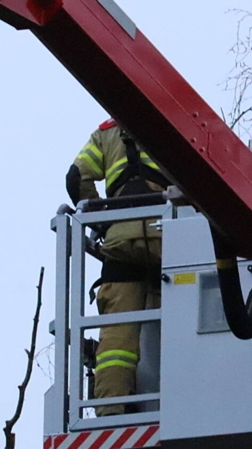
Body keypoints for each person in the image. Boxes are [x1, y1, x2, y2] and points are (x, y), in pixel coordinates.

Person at [66, 119, 171, 416]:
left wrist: (101, 218)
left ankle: (111, 411)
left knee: (117, 339)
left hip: (121, 240)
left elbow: (76, 177)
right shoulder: (172, 123)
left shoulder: (106, 132)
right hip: (169, 235)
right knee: (184, 319)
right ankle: (187, 401)